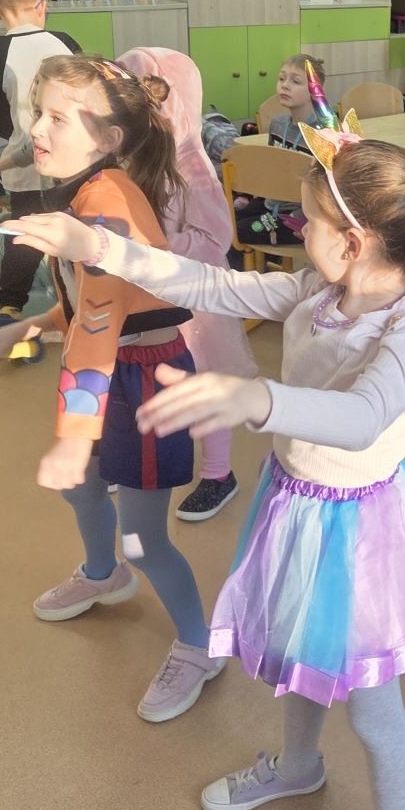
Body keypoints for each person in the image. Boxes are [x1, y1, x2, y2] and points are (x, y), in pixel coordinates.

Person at [12, 126, 405, 810]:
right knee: (298, 650)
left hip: (362, 533)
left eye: (307, 220)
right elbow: (211, 284)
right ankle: (299, 766)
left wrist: (255, 398)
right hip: (295, 503)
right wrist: (98, 247)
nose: (295, 229)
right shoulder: (317, 292)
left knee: (373, 707)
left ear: (351, 243)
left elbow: (362, 416)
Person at [0, 55, 221, 724]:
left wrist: (71, 435)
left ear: (107, 139)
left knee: (145, 538)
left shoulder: (106, 203)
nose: (37, 129)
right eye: (39, 113)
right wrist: (30, 325)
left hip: (145, 383)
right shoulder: (86, 191)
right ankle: (101, 573)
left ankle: (200, 646)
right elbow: (95, 306)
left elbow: (100, 327)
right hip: (111, 371)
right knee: (83, 487)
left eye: (58, 118)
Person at [117, 46, 258, 521]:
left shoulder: (191, 165)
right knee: (147, 380)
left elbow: (216, 238)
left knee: (203, 386)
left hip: (194, 302)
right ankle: (139, 458)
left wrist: (152, 244)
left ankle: (219, 473)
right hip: (146, 296)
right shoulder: (130, 158)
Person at [0, 0, 81, 355]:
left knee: (26, 237)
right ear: (41, 5)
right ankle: (80, 305)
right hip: (77, 161)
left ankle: (9, 311)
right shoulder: (64, 42)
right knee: (77, 230)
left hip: (27, 163)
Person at [267, 53, 328, 149]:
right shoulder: (276, 125)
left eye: (296, 81)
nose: (284, 85)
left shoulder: (325, 136)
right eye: (282, 79)